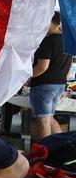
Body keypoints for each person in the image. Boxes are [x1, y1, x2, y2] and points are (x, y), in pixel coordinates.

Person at [30, 11, 69, 142]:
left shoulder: (48, 40)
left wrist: (28, 77)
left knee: (43, 122)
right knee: (49, 118)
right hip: (59, 85)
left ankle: (46, 153)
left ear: (53, 23)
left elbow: (42, 66)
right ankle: (59, 147)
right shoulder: (66, 41)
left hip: (44, 85)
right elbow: (68, 68)